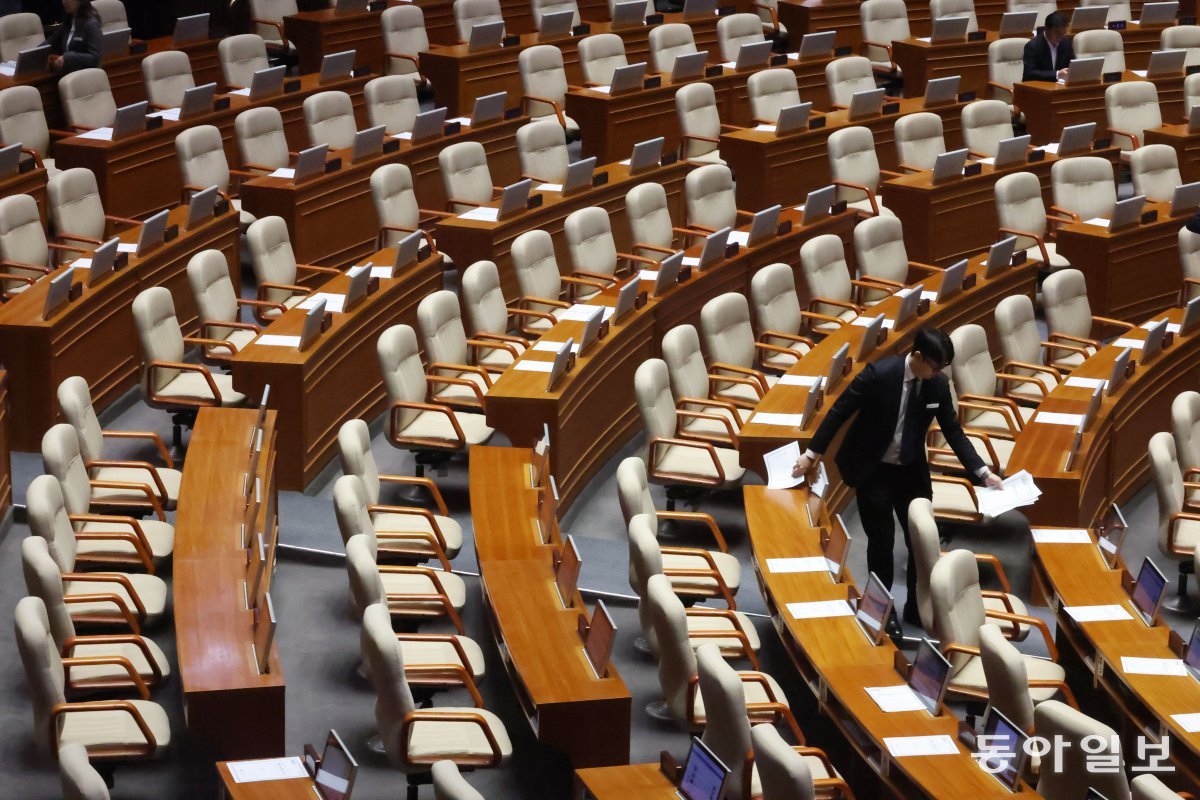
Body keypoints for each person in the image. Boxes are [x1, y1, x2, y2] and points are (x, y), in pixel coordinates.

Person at [792, 327, 1004, 634]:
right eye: (934, 367)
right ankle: (882, 608)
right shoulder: (879, 374)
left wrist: (982, 472)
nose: (937, 374)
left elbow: (953, 432)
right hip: (872, 469)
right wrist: (812, 455)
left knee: (920, 539)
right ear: (916, 356)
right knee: (881, 542)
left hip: (909, 470)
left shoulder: (937, 385)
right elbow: (839, 412)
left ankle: (916, 606)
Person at [43, 0, 101, 75]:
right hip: (70, 75)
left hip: (88, 76)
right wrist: (32, 53)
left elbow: (95, 58)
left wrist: (67, 57)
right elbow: (50, 42)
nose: (64, 2)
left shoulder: (91, 24)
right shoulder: (69, 22)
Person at [1023, 11, 1074, 82]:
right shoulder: (1033, 46)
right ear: (1046, 29)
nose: (1060, 37)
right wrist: (1057, 74)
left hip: (1059, 87)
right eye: (1057, 33)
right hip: (1036, 88)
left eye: (1063, 34)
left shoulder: (1066, 43)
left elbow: (1073, 65)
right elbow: (1030, 73)